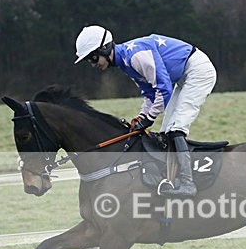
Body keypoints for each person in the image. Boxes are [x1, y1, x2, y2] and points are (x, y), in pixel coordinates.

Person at [74, 25, 216, 196]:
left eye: (93, 58)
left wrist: (149, 118)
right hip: (183, 77)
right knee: (166, 132)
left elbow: (164, 90)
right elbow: (150, 94)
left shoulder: (135, 57)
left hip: (198, 71)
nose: (92, 64)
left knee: (176, 129)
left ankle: (188, 183)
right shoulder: (125, 63)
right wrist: (142, 116)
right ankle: (173, 180)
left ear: (104, 48)